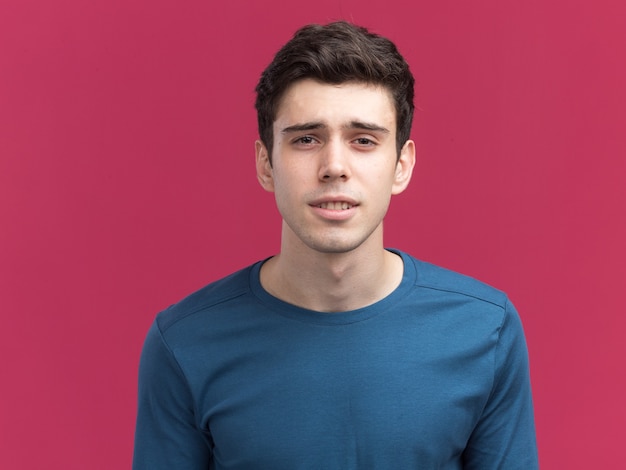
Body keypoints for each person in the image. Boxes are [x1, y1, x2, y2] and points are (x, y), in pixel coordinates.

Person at [133, 21, 538, 469]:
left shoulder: (485, 329)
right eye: (306, 139)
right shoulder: (185, 342)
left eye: (363, 140)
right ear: (266, 164)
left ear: (401, 165)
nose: (334, 166)